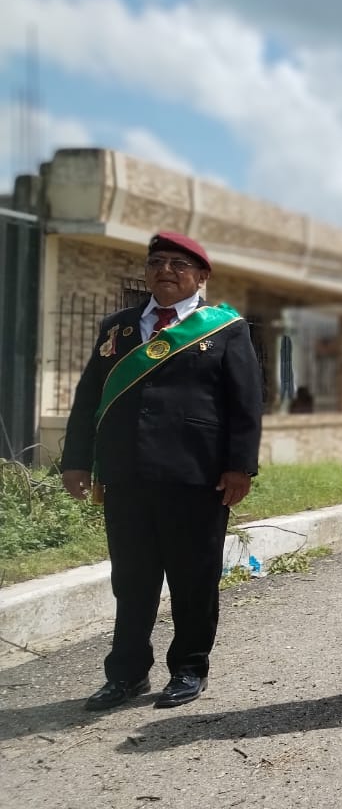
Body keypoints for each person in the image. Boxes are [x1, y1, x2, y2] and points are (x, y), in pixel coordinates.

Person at [63, 231, 263, 711]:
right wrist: (75, 459)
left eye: (178, 263)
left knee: (194, 579)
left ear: (201, 275)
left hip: (196, 476)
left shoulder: (225, 329)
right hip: (125, 473)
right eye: (156, 262)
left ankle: (190, 668)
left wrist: (240, 466)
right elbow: (89, 396)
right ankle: (126, 674)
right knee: (132, 580)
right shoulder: (119, 327)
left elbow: (245, 402)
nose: (165, 271)